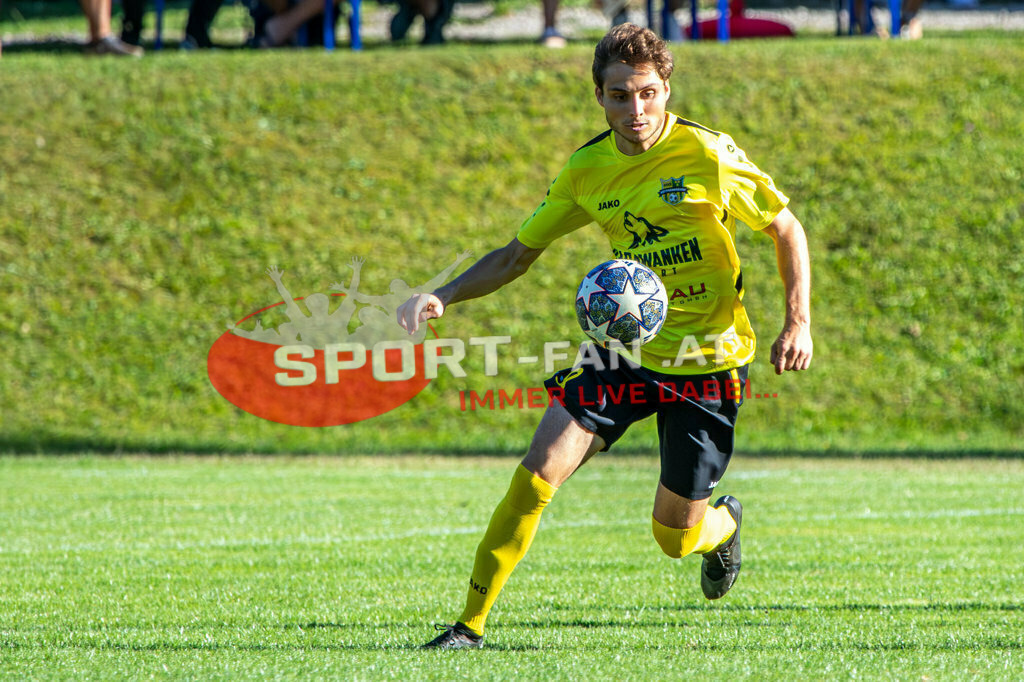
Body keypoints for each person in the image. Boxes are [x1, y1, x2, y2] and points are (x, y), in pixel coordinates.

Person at [397, 23, 813, 650]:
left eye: (646, 92)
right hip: (623, 350)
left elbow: (785, 227)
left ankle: (721, 526)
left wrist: (797, 322)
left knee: (673, 538)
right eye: (619, 95)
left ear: (666, 88)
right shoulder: (587, 170)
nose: (635, 110)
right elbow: (516, 256)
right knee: (536, 475)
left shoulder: (708, 155)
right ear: (599, 96)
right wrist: (444, 293)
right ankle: (469, 626)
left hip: (708, 361)